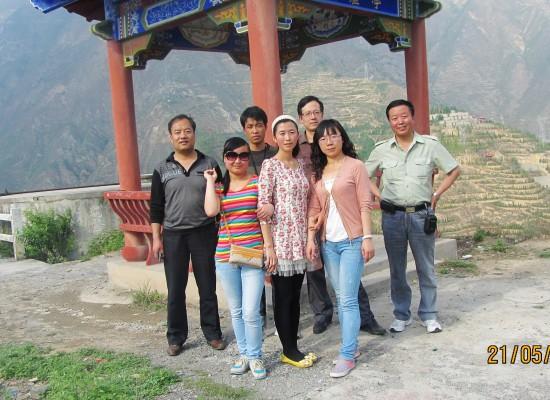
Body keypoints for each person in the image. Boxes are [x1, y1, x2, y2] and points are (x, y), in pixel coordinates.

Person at [365, 99, 461, 334]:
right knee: (397, 269)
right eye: (394, 118)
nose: (400, 121)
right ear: (389, 122)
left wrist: (436, 194)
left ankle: (429, 314)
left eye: (404, 116)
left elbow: (454, 169)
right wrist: (380, 196)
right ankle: (401, 314)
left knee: (426, 267)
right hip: (393, 216)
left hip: (421, 215)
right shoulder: (381, 149)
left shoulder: (430, 145)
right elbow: (363, 176)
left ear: (412, 117)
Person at [297, 95, 385, 336]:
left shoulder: (343, 154)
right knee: (315, 271)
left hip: (344, 220)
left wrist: (377, 198)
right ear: (301, 118)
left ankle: (365, 318)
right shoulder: (296, 147)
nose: (313, 116)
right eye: (308, 113)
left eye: (317, 111)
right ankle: (322, 315)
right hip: (312, 216)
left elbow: (359, 185)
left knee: (350, 278)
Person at [150, 114, 225, 356]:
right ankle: (176, 337)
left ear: (194, 133)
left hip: (204, 232)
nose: (183, 135)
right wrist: (156, 238)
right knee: (175, 288)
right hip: (173, 235)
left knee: (207, 286)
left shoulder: (209, 163)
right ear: (170, 137)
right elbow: (156, 207)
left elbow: (222, 195)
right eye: (178, 132)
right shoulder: (162, 168)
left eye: (187, 131)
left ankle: (213, 333)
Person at [307, 119, 375, 378]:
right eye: (323, 138)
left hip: (352, 241)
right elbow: (315, 208)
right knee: (341, 297)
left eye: (333, 135)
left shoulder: (355, 166)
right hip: (329, 244)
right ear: (318, 143)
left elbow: (365, 204)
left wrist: (367, 237)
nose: (329, 141)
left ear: (342, 138)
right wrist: (311, 238)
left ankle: (347, 355)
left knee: (347, 299)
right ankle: (352, 346)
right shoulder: (319, 172)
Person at [203, 137, 267, 379]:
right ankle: (244, 354)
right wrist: (210, 182)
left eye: (243, 155)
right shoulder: (220, 187)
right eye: (231, 156)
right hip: (225, 256)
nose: (237, 160)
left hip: (252, 254)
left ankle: (255, 355)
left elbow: (265, 216)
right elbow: (211, 211)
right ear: (224, 158)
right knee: (237, 310)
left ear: (249, 158)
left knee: (251, 311)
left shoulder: (258, 182)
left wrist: (269, 249)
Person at [258, 115, 318, 368]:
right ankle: (288, 350)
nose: (287, 137)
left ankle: (292, 346)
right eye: (282, 133)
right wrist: (269, 247)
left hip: (300, 239)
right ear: (274, 137)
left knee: (295, 295)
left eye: (292, 132)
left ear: (298, 135)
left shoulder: (301, 164)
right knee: (283, 297)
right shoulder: (269, 166)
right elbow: (263, 207)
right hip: (280, 240)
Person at [240, 106, 277, 328]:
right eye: (250, 126)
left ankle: (282, 320)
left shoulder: (276, 153)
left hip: (275, 222)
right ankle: (259, 318)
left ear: (266, 127)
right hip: (250, 225)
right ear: (244, 129)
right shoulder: (239, 156)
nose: (255, 130)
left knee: (278, 270)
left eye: (259, 125)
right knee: (254, 272)